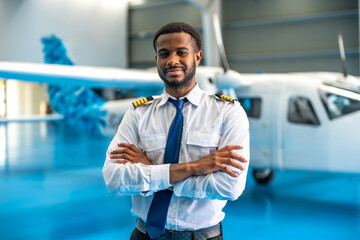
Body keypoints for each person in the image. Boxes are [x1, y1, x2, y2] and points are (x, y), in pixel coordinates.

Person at [102, 22, 249, 240]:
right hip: (144, 234)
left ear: (197, 57)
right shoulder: (138, 113)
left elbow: (230, 186)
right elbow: (114, 179)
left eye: (182, 53)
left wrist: (153, 172)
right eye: (164, 54)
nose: (172, 61)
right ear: (156, 61)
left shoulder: (228, 112)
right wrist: (194, 167)